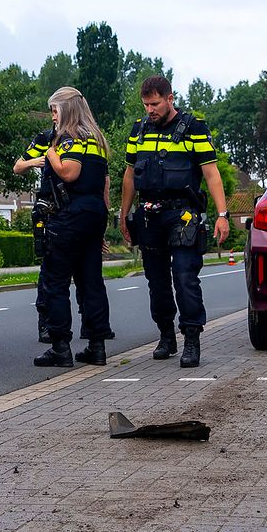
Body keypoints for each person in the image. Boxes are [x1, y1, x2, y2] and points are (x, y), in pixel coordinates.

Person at [118, 76, 230, 368]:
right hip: (149, 216)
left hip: (183, 215)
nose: (150, 110)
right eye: (146, 105)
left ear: (170, 99)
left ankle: (191, 339)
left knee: (184, 276)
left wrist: (222, 215)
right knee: (156, 281)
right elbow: (129, 176)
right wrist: (123, 214)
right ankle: (166, 336)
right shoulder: (139, 130)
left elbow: (211, 174)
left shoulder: (194, 128)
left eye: (155, 104)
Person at [27, 87, 112, 366]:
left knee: (56, 282)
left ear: (66, 109)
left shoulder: (70, 138)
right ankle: (97, 346)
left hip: (69, 215)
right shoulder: (97, 140)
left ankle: (60, 347)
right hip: (94, 214)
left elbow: (69, 173)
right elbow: (105, 185)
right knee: (91, 281)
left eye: (55, 109)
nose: (53, 115)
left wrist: (51, 154)